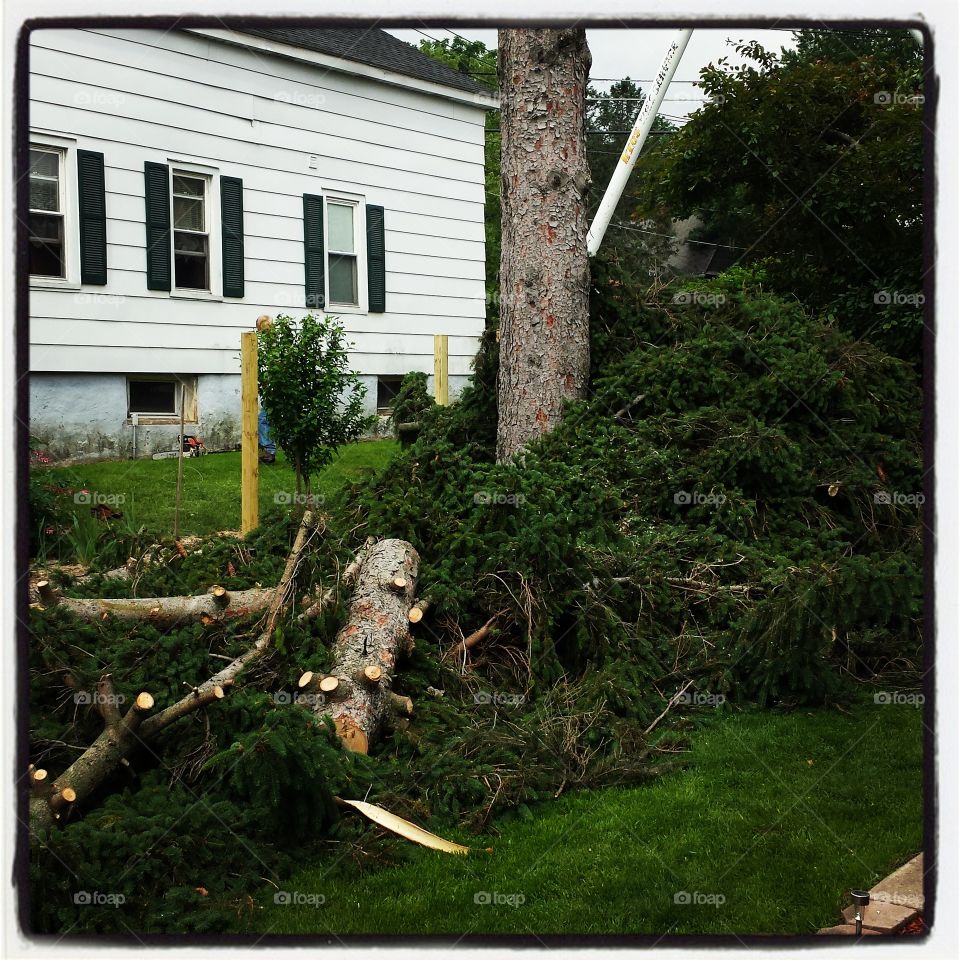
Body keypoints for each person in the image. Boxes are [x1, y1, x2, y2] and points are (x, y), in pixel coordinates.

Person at [256, 316, 276, 464]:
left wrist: (266, 383)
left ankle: (269, 452)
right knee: (267, 419)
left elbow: (274, 366)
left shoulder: (273, 344)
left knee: (264, 419)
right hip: (270, 386)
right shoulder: (268, 344)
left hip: (274, 387)